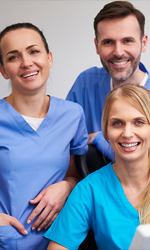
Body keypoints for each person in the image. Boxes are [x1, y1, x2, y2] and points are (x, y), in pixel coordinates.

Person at [0, 22, 88, 250]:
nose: (26, 62)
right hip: (8, 241)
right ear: (2, 70)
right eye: (13, 57)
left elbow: (75, 174)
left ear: (49, 58)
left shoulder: (72, 115)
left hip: (60, 241)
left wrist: (67, 187)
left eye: (34, 51)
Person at [45, 84, 150, 249]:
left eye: (139, 122)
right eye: (117, 123)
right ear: (106, 131)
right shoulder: (89, 190)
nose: (128, 133)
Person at [66, 0, 150, 162]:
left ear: (143, 42)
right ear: (97, 45)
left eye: (127, 41)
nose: (118, 52)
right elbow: (62, 143)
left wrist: (102, 140)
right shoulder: (86, 84)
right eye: (108, 42)